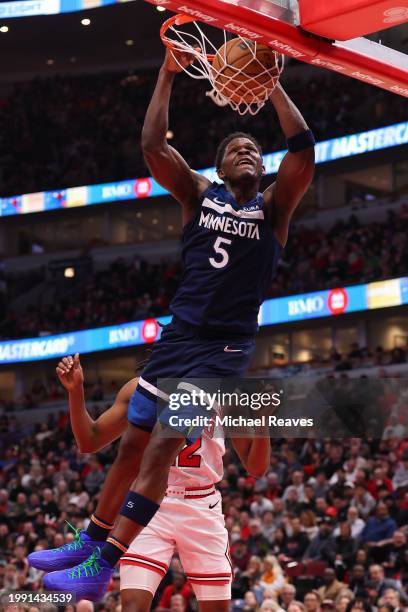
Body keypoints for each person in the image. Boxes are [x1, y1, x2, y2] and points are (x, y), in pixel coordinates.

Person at [35, 43, 315, 601]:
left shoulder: (273, 210)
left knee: (162, 445)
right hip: (178, 337)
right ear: (216, 165)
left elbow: (303, 150)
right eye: (235, 147)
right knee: (133, 448)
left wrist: (269, 86)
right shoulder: (197, 193)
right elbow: (152, 145)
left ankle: (102, 563)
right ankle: (90, 545)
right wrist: (165, 73)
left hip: (223, 350)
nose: (246, 153)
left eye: (253, 150)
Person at [30, 355, 271, 611]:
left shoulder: (226, 393)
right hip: (149, 506)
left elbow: (256, 468)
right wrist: (75, 391)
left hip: (202, 505)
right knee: (133, 606)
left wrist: (264, 421)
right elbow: (89, 441)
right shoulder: (140, 389)